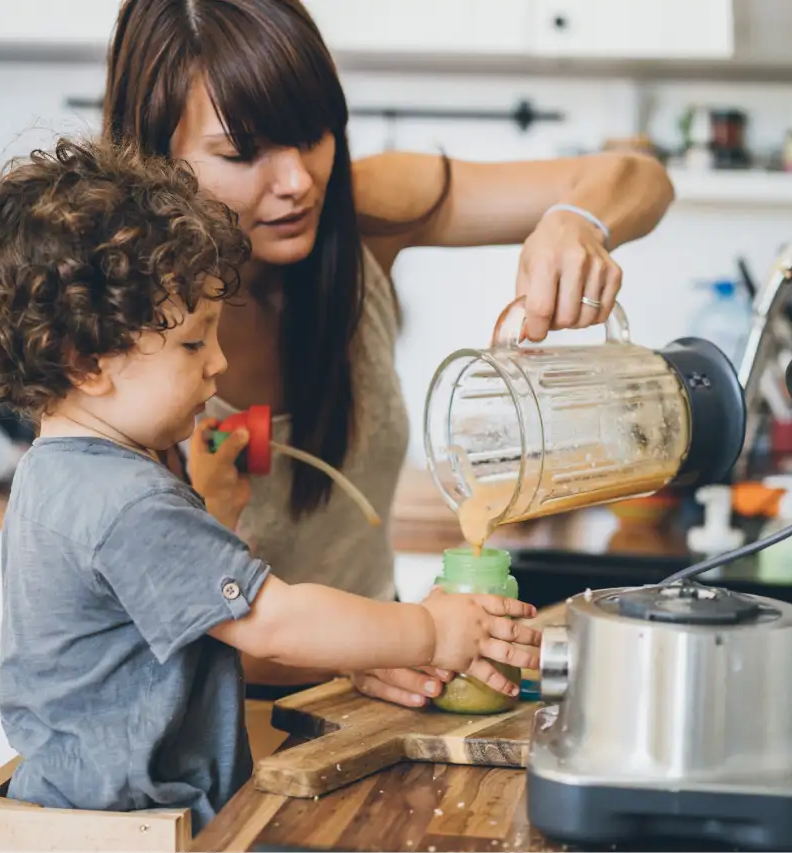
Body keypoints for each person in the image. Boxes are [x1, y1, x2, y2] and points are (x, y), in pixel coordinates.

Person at [0, 137, 541, 831]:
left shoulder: (57, 472)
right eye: (194, 341)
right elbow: (272, 624)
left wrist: (214, 504)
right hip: (131, 832)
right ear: (86, 362)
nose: (219, 362)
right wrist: (430, 632)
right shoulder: (126, 502)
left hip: (85, 815)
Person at [103, 0, 674, 707]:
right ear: (153, 156)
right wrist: (381, 648)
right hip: (216, 731)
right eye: (243, 152)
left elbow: (641, 179)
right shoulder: (113, 334)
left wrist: (576, 222)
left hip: (384, 698)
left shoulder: (363, 211)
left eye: (312, 133)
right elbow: (163, 621)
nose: (296, 182)